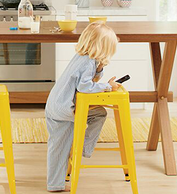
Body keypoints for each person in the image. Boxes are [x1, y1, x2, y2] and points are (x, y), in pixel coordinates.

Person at [45, 21, 121, 192]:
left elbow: (87, 81)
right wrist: (108, 87)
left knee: (59, 145)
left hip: (57, 105)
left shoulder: (83, 58)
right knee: (99, 115)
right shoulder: (87, 62)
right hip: (63, 108)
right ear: (102, 48)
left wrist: (100, 68)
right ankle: (83, 148)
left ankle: (56, 183)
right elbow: (85, 87)